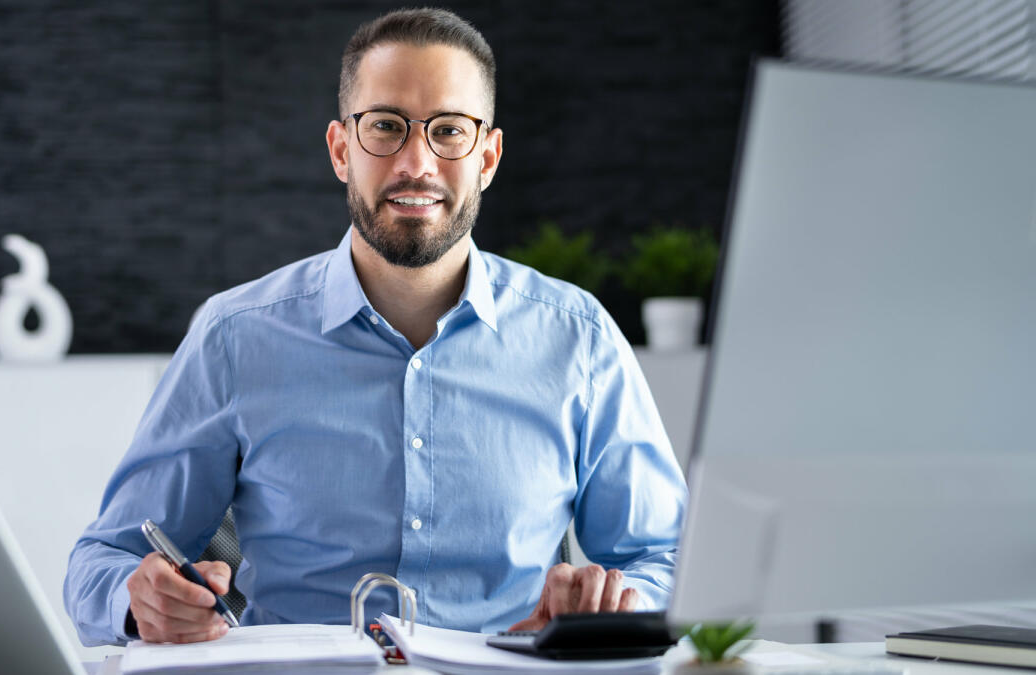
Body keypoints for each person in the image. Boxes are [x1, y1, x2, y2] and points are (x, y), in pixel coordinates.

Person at [64, 7, 686, 647]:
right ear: (340, 149)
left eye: (449, 131)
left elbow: (668, 561)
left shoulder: (578, 338)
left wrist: (622, 603)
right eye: (386, 126)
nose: (417, 163)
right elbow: (101, 560)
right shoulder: (233, 336)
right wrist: (139, 602)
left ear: (489, 157)